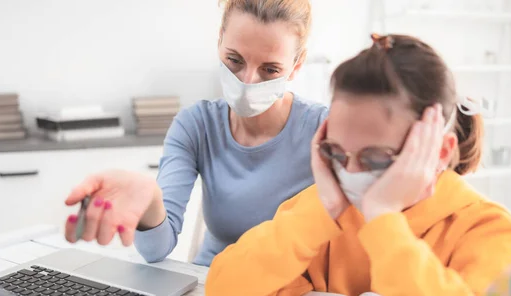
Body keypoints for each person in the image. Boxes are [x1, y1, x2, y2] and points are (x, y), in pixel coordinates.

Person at [204, 34, 511, 296]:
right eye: (337, 154)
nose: (353, 173)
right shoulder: (327, 207)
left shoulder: (491, 231)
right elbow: (224, 289)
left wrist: (384, 220)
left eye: (375, 158)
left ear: (439, 152)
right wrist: (323, 209)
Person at [63, 0, 327, 266]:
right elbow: (156, 251)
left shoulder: (324, 130)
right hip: (211, 285)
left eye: (270, 70)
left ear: (296, 64)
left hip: (297, 293)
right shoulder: (196, 125)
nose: (247, 81)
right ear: (219, 42)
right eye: (234, 60)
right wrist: (150, 197)